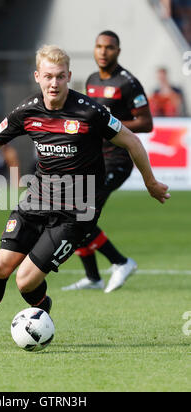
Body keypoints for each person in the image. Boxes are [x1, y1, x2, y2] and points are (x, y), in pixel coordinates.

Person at [0, 45, 170, 350]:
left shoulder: (89, 111)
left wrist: (151, 183)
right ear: (37, 76)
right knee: (0, 267)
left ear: (69, 77)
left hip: (76, 210)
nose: (54, 83)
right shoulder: (27, 110)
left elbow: (131, 140)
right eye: (48, 76)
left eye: (60, 77)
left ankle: (41, 311)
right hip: (36, 200)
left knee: (25, 281)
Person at [62, 31, 153, 293]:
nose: (103, 52)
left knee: (81, 214)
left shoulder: (128, 83)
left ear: (118, 51)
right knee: (74, 210)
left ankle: (121, 262)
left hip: (119, 159)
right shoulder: (91, 80)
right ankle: (93, 278)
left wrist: (109, 125)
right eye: (99, 46)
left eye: (109, 47)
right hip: (93, 157)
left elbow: (146, 122)